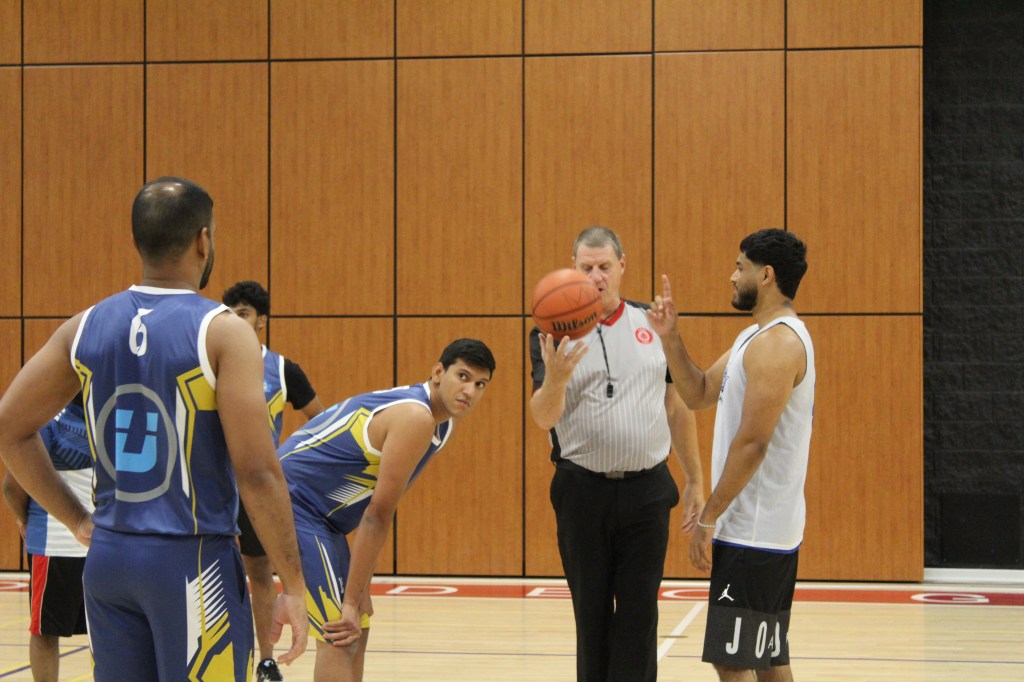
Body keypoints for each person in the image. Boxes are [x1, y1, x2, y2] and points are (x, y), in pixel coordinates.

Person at [0, 177, 308, 681]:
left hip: (109, 560)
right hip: (193, 560)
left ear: (136, 240)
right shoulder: (224, 331)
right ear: (203, 240)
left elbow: (9, 427)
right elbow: (257, 473)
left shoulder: (84, 325)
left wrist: (76, 520)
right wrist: (293, 584)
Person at [529, 226, 704, 682]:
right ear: (573, 269)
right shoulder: (552, 331)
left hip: (647, 491)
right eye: (586, 267)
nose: (596, 276)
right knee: (591, 618)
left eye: (604, 266)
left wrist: (695, 480)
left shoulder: (653, 322)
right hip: (581, 492)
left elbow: (677, 405)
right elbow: (543, 416)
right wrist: (557, 377)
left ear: (622, 266)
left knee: (639, 616)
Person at [647, 228, 814, 681]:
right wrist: (670, 338)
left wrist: (709, 517)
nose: (732, 276)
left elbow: (753, 444)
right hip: (761, 529)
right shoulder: (753, 338)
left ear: (766, 275)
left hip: (755, 530)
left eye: (740, 267)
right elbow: (699, 392)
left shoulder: (777, 345)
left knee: (733, 658)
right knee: (767, 656)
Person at [281, 338, 495, 682]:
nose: (470, 391)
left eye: (480, 384)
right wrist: (350, 599)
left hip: (322, 519)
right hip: (291, 504)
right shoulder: (416, 416)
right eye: (463, 376)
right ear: (438, 372)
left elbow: (378, 502)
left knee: (358, 627)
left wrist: (360, 587)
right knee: (340, 633)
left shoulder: (441, 424)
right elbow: (377, 514)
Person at [223, 280, 325, 682]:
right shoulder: (209, 363)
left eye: (243, 313)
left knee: (260, 574)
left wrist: (290, 464)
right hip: (212, 485)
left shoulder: (282, 370)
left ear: (261, 321)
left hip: (256, 489)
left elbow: (322, 424)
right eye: (230, 313)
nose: (235, 320)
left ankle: (266, 660)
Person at [2, 396, 92, 682]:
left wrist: (25, 519)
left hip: (53, 543)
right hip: (101, 544)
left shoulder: (44, 422)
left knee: (44, 632)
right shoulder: (111, 419)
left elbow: (10, 488)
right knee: (106, 629)